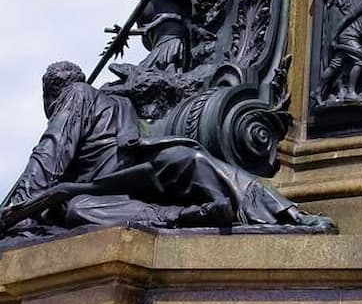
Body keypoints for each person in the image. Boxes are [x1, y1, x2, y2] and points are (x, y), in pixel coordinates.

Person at [0, 62, 332, 237]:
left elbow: (50, 151)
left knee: (79, 209)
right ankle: (288, 215)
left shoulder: (74, 94)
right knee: (197, 160)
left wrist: (17, 209)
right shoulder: (116, 100)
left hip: (113, 177)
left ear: (52, 93)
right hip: (132, 174)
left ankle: (281, 215)